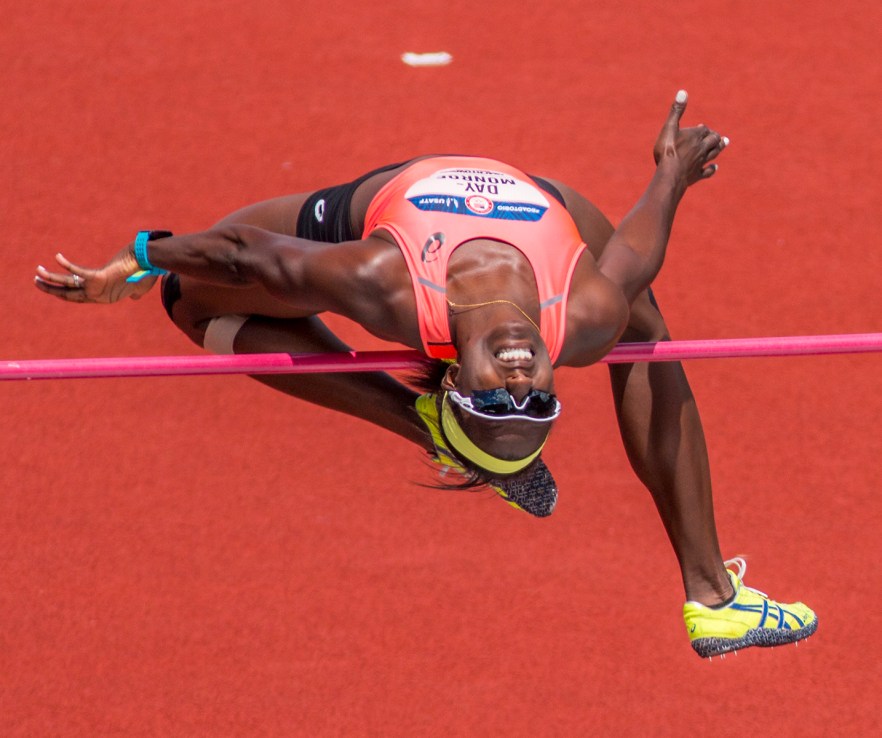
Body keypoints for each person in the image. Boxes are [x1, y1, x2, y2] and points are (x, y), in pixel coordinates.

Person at [35, 91, 816, 658]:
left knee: (189, 304)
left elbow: (248, 255)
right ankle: (715, 593)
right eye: (536, 395)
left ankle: (425, 428)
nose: (519, 369)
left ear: (457, 375)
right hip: (549, 211)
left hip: (377, 211)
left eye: (497, 392)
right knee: (644, 330)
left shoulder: (386, 285)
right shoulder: (579, 320)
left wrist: (139, 258)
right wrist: (671, 174)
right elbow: (638, 250)